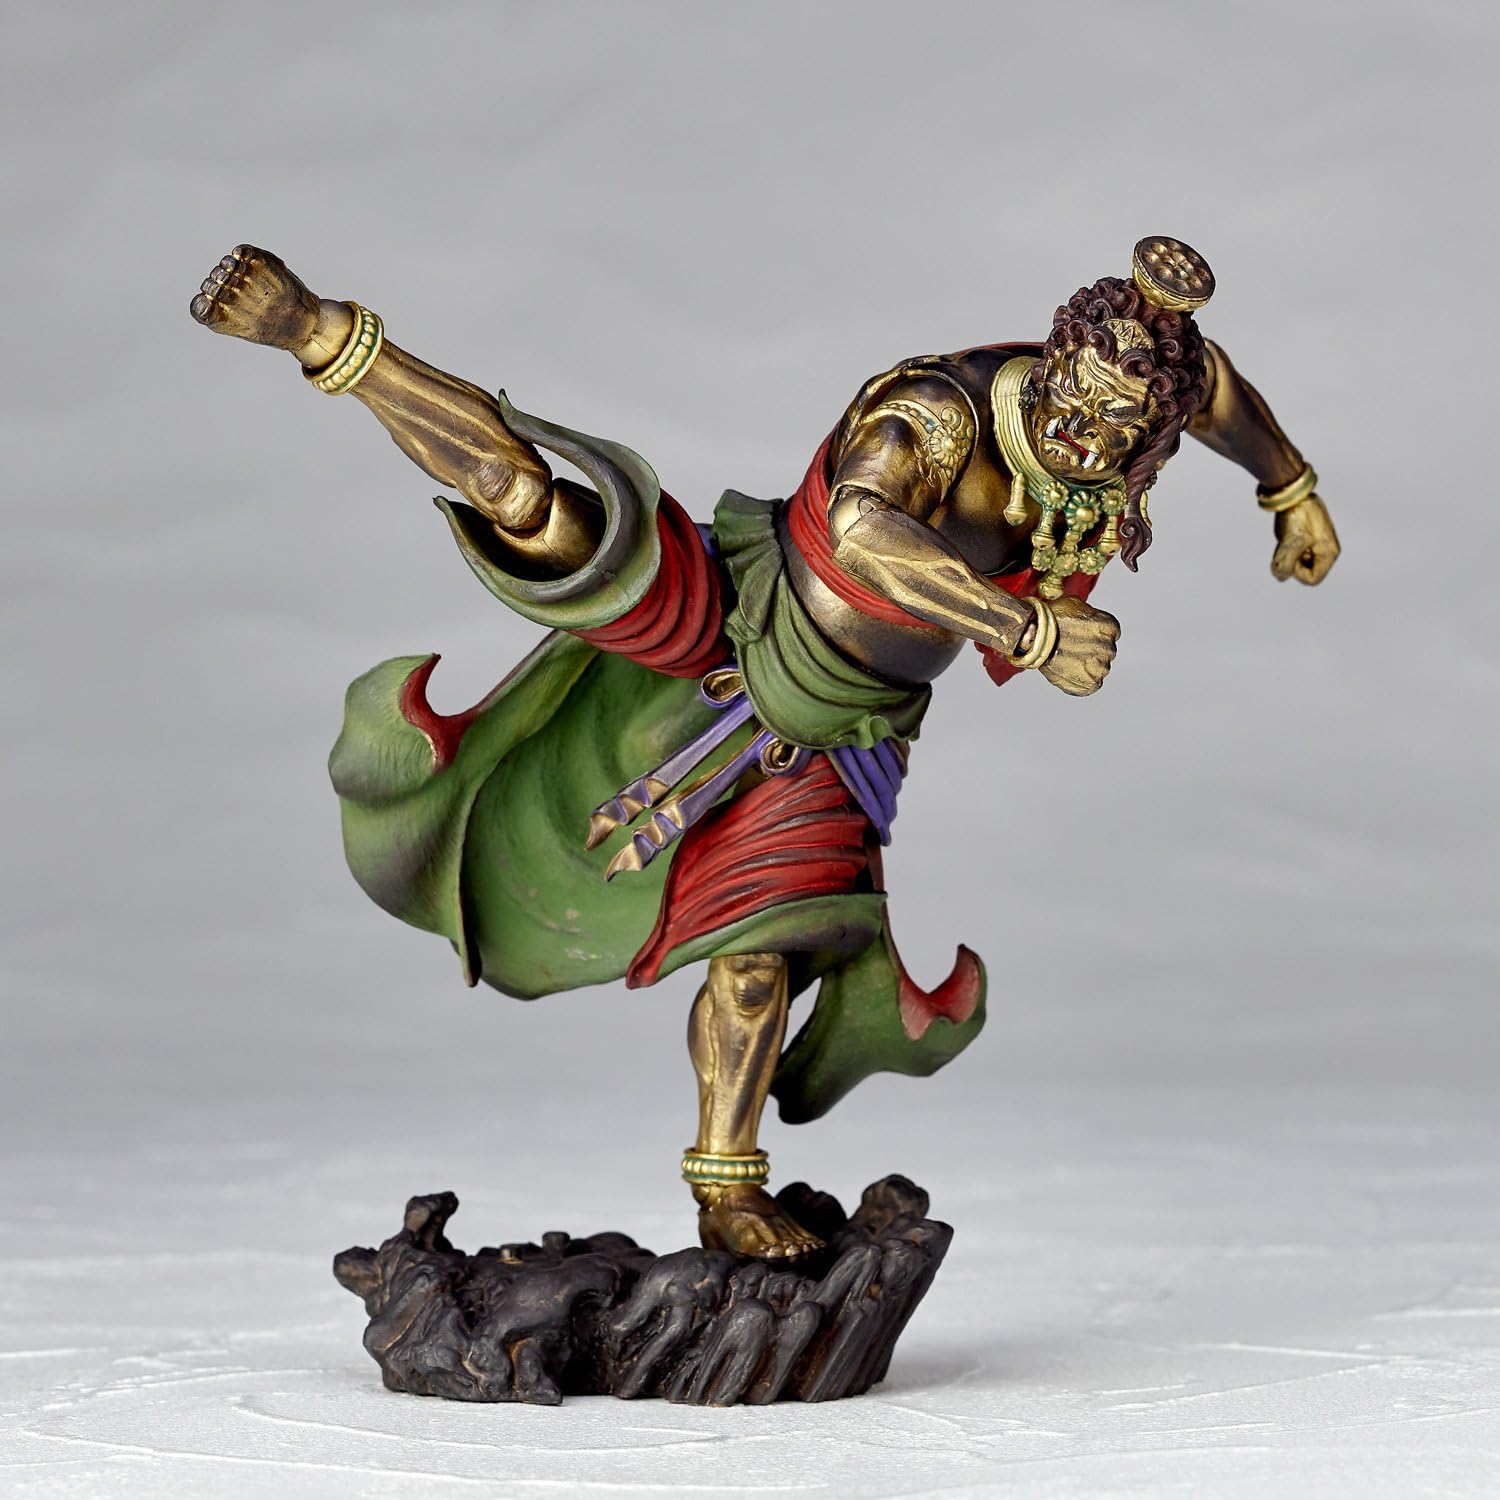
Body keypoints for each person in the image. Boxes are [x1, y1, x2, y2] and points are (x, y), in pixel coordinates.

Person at [191, 236, 1338, 1259]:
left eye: (1121, 429)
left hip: (848, 724)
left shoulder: (1153, 393)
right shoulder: (933, 413)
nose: (1088, 436)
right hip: (741, 613)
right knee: (531, 502)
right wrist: (1026, 628)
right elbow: (865, 531)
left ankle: (726, 1192)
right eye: (1078, 406)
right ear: (1055, 360)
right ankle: (316, 329)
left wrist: (1290, 489)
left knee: (759, 962)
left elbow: (1217, 395)